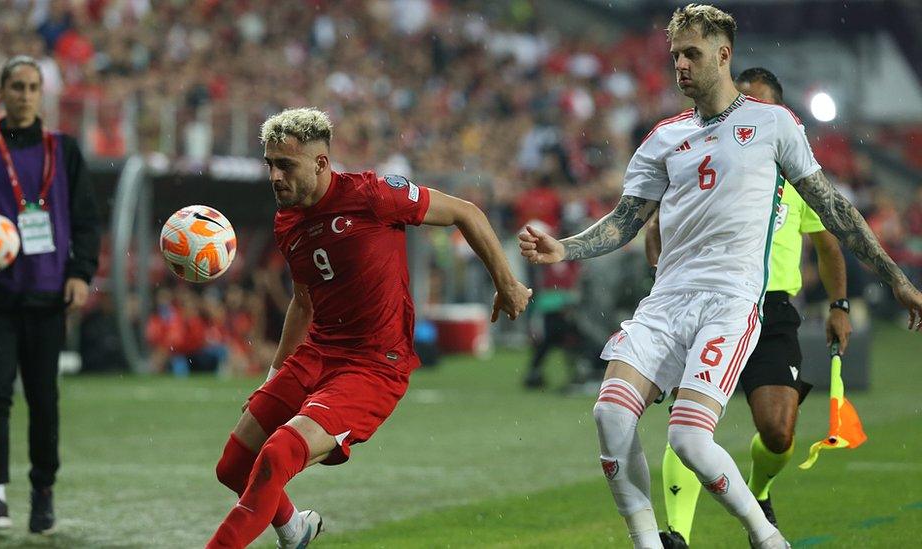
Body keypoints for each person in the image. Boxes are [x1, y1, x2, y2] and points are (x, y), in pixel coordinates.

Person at [518, 5, 922, 548]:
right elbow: (625, 221)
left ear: (724, 54)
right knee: (610, 414)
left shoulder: (774, 124)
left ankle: (764, 536)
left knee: (688, 436)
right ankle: (648, 544)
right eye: (675, 56)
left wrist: (894, 277)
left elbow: (832, 209)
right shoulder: (663, 138)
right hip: (666, 301)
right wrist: (561, 248)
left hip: (729, 302)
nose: (680, 65)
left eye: (692, 54)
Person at [206, 108, 532, 549]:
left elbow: (466, 212)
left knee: (279, 453)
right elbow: (303, 301)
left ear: (321, 163)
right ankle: (295, 528)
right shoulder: (288, 221)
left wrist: (507, 283)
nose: (274, 176)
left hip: (373, 366)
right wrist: (274, 376)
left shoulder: (372, 195)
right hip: (317, 354)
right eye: (270, 164)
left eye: (285, 165)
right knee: (232, 466)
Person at [649, 67, 852, 548]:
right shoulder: (707, 165)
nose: (744, 116)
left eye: (756, 106)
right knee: (687, 418)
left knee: (779, 432)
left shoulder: (794, 176)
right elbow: (657, 218)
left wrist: (839, 304)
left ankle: (759, 489)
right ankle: (676, 532)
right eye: (738, 102)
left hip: (771, 307)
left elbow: (828, 246)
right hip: (707, 298)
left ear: (778, 115)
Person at [0, 55, 101, 534]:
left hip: (47, 296)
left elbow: (85, 221)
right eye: (17, 86)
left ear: (42, 94)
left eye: (33, 86)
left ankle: (43, 493)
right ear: (2, 91)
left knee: (43, 400)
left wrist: (80, 273)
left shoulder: (67, 151)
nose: (26, 94)